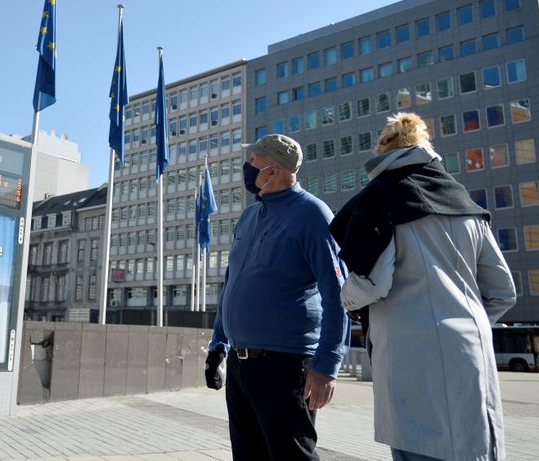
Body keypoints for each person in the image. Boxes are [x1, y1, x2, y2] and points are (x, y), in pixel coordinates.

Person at [330, 113, 517, 461]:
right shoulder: (464, 202)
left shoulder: (381, 197)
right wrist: (464, 320)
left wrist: (345, 299)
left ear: (382, 148)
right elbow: (504, 291)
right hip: (472, 354)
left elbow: (372, 282)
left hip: (411, 358)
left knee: (420, 450)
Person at [206, 133, 349, 461]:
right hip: (241, 370)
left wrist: (327, 366)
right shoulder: (248, 217)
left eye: (252, 161)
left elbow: (337, 292)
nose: (246, 167)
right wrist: (218, 346)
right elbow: (232, 285)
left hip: (285, 367)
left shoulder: (313, 215)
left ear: (273, 169)